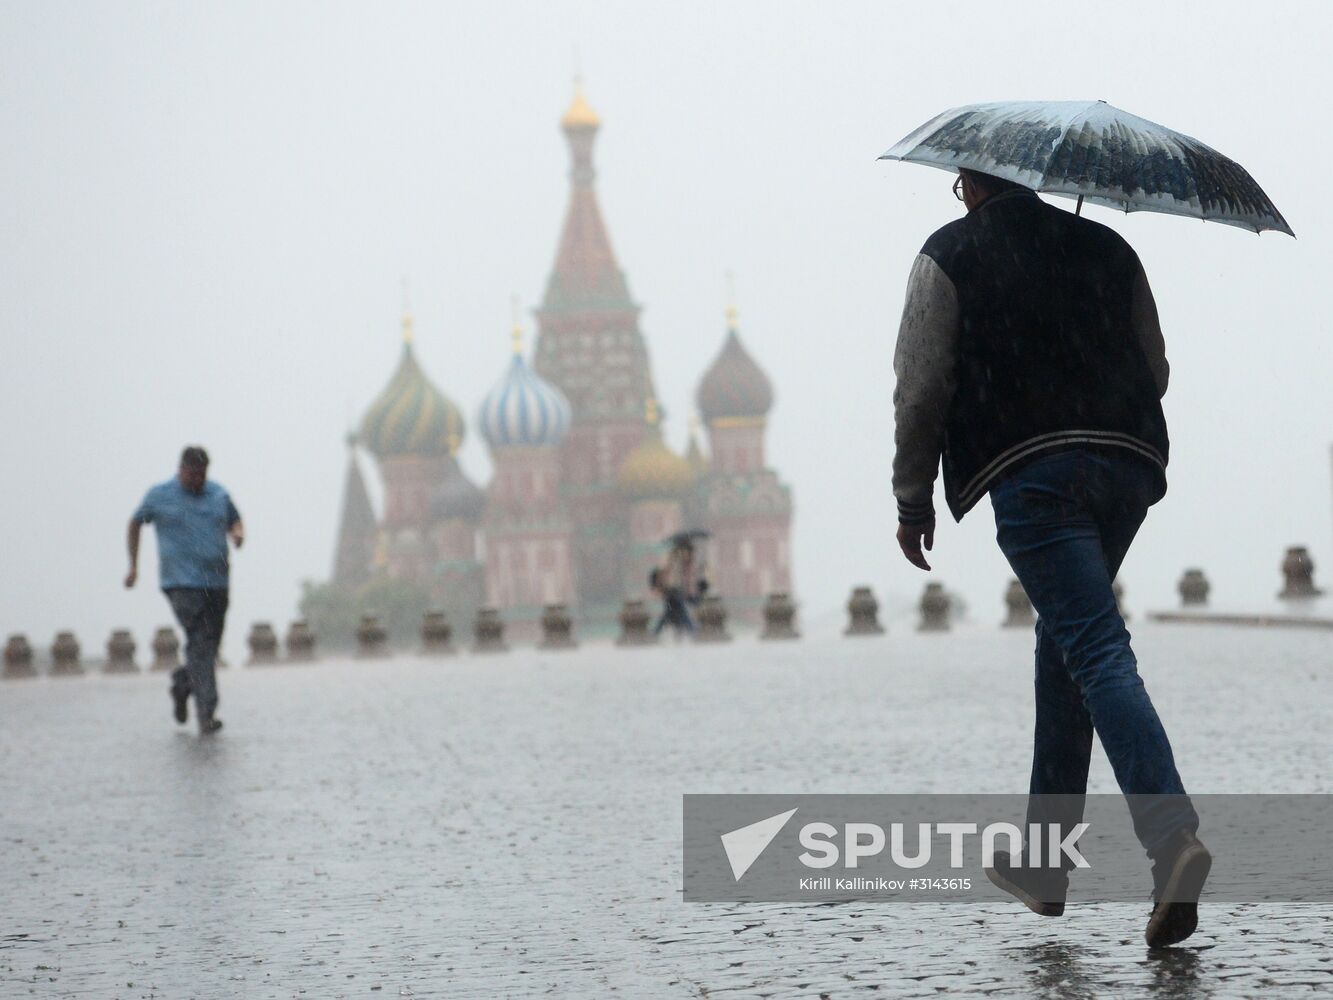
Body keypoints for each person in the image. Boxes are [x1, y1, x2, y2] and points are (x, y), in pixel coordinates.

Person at [890, 168, 1210, 947]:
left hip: (1035, 475)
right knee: (1066, 637)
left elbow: (921, 386)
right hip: (1128, 465)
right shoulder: (1107, 248)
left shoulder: (948, 254)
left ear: (967, 182)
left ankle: (1171, 839)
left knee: (1094, 646)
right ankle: (1043, 862)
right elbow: (1155, 368)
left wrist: (911, 496)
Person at [125, 446, 243, 734]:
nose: (197, 480)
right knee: (200, 640)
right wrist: (133, 566)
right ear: (181, 469)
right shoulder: (160, 495)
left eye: (202, 475)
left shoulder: (218, 494)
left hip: (217, 582)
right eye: (193, 474)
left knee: (209, 645)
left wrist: (238, 534)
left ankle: (183, 683)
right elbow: (135, 523)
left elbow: (235, 520)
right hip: (181, 584)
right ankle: (206, 712)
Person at [652, 539, 701, 638]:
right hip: (673, 592)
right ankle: (693, 632)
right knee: (680, 614)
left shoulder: (677, 560)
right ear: (684, 550)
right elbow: (676, 579)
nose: (691, 555)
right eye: (690, 552)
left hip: (674, 592)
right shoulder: (676, 561)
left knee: (670, 615)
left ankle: (657, 634)